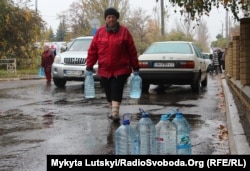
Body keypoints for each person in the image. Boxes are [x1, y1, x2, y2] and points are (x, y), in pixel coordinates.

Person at [86, 7, 139, 122]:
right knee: (108, 92)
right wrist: (89, 65)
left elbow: (132, 50)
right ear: (106, 19)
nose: (111, 19)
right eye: (108, 17)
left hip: (121, 68)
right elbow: (93, 50)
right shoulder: (100, 33)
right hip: (104, 69)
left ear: (116, 18)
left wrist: (135, 66)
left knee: (116, 89)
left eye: (113, 17)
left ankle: (115, 113)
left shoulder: (124, 32)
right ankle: (113, 110)